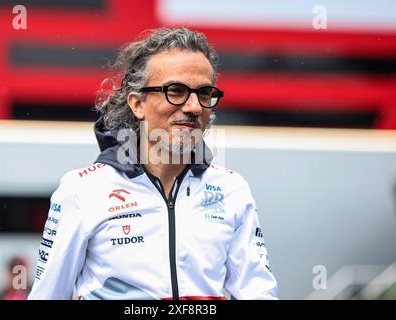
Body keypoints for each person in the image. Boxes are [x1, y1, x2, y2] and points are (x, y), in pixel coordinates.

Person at [28, 27, 278, 300]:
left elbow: (258, 293)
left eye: (204, 93)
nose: (194, 107)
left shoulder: (232, 190)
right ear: (137, 104)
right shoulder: (82, 190)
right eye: (176, 91)